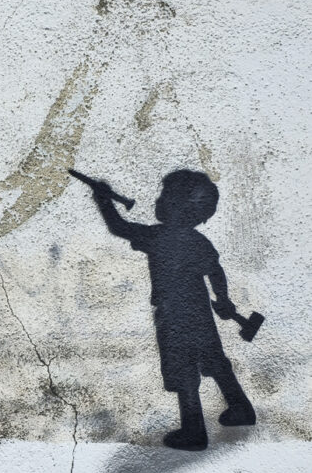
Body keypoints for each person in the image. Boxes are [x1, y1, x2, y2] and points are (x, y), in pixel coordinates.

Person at [92, 169, 255, 451]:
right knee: (214, 360)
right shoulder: (198, 241)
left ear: (178, 206)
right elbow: (215, 271)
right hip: (200, 312)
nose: (158, 200)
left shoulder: (158, 236)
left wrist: (104, 201)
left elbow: (119, 227)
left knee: (182, 368)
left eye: (164, 196)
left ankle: (194, 431)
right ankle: (241, 408)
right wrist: (223, 300)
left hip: (173, 314)